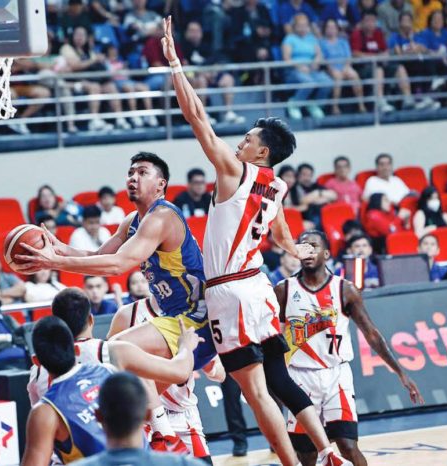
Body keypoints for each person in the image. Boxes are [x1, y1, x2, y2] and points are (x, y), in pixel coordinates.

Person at [162, 16, 350, 466]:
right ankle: (326, 451)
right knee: (281, 380)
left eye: (246, 140)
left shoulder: (235, 171)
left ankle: (292, 462)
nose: (239, 143)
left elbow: (197, 118)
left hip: (230, 290)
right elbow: (285, 237)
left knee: (254, 390)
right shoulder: (278, 185)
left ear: (261, 151)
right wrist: (311, 257)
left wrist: (174, 65)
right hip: (260, 288)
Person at [15, 150, 217, 453]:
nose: (132, 177)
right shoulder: (132, 221)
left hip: (193, 318)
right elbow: (98, 257)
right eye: (130, 171)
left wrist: (54, 262)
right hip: (175, 318)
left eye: (142, 172)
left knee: (114, 353)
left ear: (161, 184)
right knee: (127, 404)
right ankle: (152, 441)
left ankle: (167, 436)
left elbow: (117, 266)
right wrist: (59, 249)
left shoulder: (163, 216)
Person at [275, 230, 423, 466]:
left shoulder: (345, 289)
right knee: (307, 454)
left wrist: (400, 372)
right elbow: (273, 338)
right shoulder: (283, 290)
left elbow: (371, 334)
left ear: (326, 253)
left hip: (337, 375)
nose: (308, 251)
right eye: (303, 246)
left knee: (348, 446)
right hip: (299, 378)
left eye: (313, 246)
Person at [21, 314, 200, 465]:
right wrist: (185, 346)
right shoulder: (110, 370)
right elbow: (179, 371)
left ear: (36, 361)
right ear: (76, 348)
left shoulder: (45, 411)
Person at [105, 288, 224, 462]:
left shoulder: (195, 313)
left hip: (183, 414)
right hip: (143, 417)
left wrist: (208, 362)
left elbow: (220, 376)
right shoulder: (129, 314)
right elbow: (110, 365)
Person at [72, 372, 207, 466]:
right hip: (171, 424)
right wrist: (187, 349)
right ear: (147, 414)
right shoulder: (185, 464)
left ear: (97, 416)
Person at [60, 26, 129, 132]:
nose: (80, 37)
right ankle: (94, 120)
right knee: (94, 87)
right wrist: (94, 60)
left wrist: (99, 60)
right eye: (77, 34)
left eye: (82, 35)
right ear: (72, 36)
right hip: (73, 80)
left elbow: (92, 64)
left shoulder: (88, 50)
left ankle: (119, 118)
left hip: (91, 79)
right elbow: (74, 66)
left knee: (110, 87)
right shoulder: (67, 48)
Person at [181, 21, 246, 125]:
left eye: (197, 31)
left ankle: (228, 112)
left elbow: (216, 61)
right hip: (195, 78)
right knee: (200, 80)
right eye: (192, 31)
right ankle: (202, 115)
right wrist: (201, 73)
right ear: (186, 33)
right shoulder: (182, 47)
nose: (195, 34)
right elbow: (184, 67)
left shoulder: (207, 46)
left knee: (228, 79)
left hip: (211, 75)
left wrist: (212, 72)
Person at [350, 12, 417, 113]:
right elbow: (355, 54)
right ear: (362, 23)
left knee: (399, 68)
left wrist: (383, 57)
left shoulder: (378, 33)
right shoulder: (357, 34)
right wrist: (375, 57)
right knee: (378, 70)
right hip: (363, 67)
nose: (370, 23)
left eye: (373, 21)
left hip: (380, 63)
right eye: (367, 21)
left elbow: (385, 51)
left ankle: (407, 98)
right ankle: (380, 101)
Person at [282, 13, 334, 120]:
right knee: (309, 83)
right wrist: (299, 67)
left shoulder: (312, 38)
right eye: (299, 26)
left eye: (305, 25)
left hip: (311, 70)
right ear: (294, 27)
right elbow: (286, 58)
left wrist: (316, 62)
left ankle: (314, 104)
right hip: (294, 71)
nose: (302, 28)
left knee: (328, 82)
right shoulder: (289, 39)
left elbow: (319, 54)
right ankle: (294, 104)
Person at [104, 45, 159, 129]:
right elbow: (108, 75)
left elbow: (128, 73)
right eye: (112, 50)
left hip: (127, 80)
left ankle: (149, 115)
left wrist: (125, 69)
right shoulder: (106, 62)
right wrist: (119, 70)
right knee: (129, 88)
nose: (114, 51)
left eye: (115, 49)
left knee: (144, 87)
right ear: (108, 51)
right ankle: (134, 116)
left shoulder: (121, 61)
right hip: (116, 82)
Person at [320, 19, 367, 115]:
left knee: (354, 75)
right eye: (328, 27)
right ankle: (335, 107)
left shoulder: (343, 41)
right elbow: (324, 59)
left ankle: (361, 105)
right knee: (338, 77)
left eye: (333, 27)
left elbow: (348, 56)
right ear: (325, 29)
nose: (331, 29)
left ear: (337, 29)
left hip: (344, 66)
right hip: (331, 67)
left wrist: (346, 67)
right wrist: (332, 69)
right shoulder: (322, 43)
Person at [0, 285, 28, 371]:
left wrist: (7, 339)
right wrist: (11, 342)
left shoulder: (7, 319)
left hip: (19, 358)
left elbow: (21, 338)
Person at [291, 163, 338, 229]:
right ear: (298, 175)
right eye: (304, 174)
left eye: (309, 175)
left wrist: (318, 193)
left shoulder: (315, 186)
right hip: (305, 217)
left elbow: (334, 195)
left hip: (321, 214)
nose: (307, 178)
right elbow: (303, 201)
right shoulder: (295, 188)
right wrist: (316, 196)